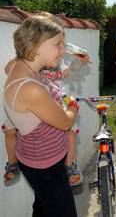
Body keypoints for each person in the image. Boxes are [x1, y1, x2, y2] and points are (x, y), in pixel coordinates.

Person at [3, 15, 79, 216]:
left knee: (44, 207)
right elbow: (64, 123)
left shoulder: (19, 65)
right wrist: (73, 106)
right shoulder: (30, 89)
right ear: (35, 45)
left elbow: (8, 66)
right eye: (58, 44)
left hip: (37, 159)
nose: (63, 51)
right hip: (46, 166)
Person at [3, 54, 89, 186]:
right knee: (9, 130)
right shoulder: (30, 70)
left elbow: (65, 73)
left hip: (55, 105)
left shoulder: (52, 70)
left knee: (71, 130)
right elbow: (8, 68)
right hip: (28, 111)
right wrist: (23, 53)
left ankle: (70, 164)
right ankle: (12, 163)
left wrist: (79, 64)